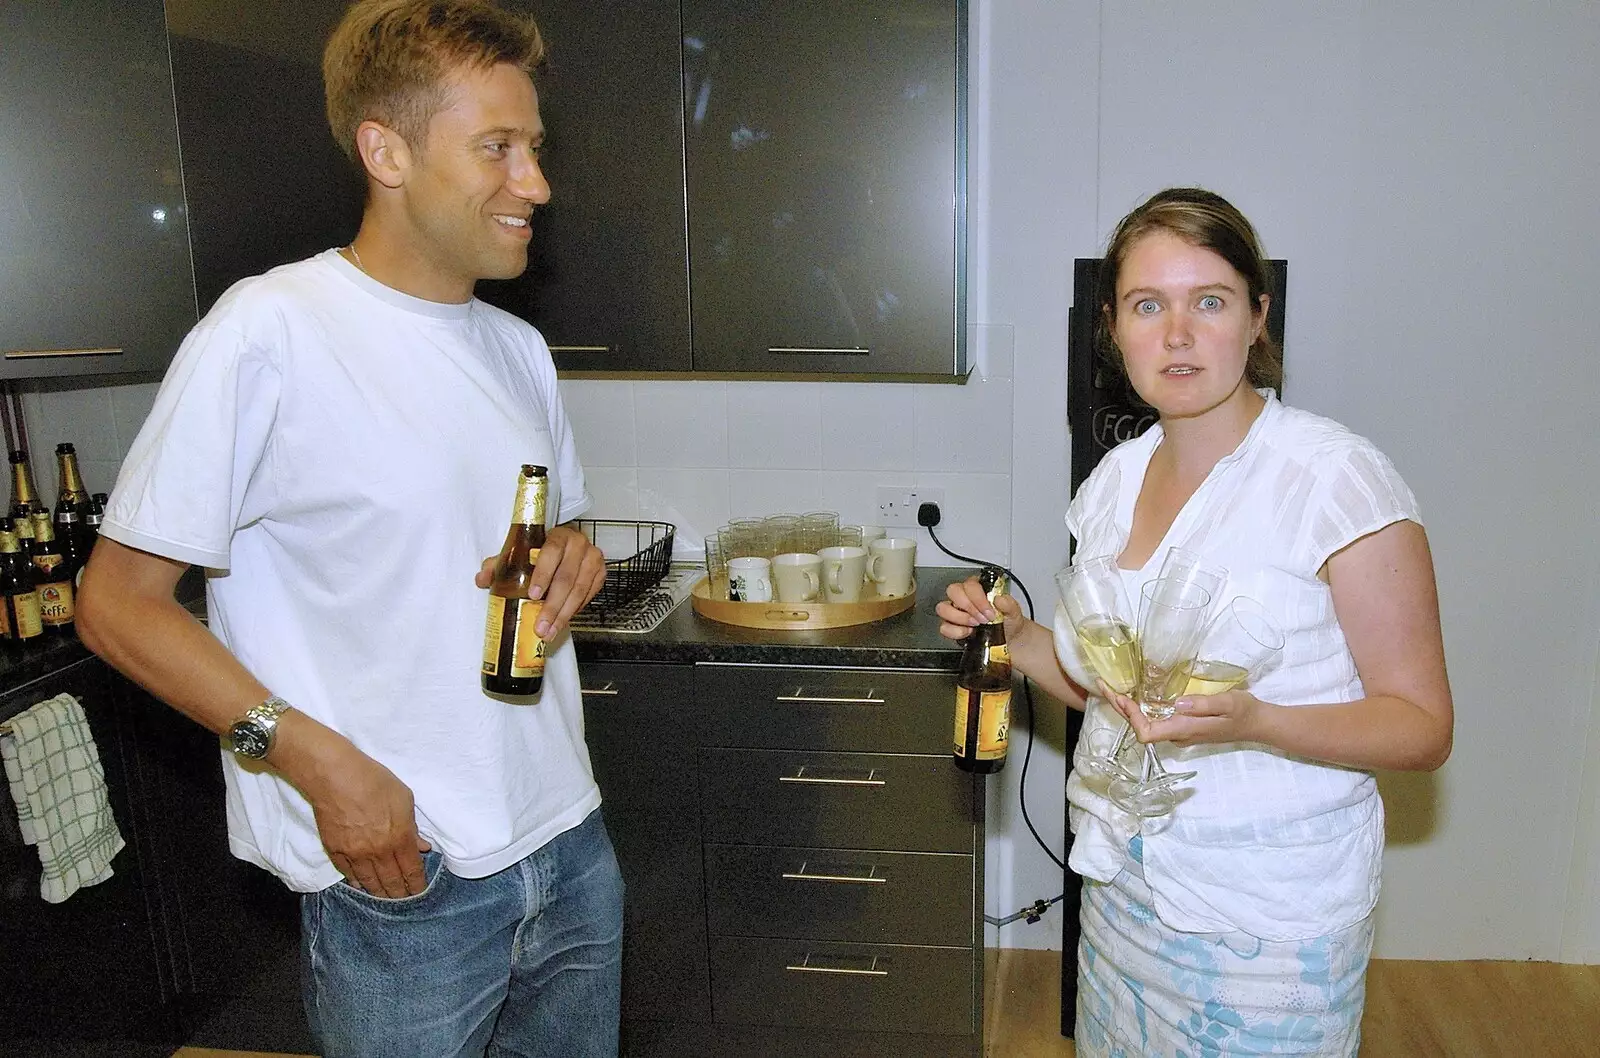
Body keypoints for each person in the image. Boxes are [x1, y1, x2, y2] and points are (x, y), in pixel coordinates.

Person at [76, 2, 622, 1055]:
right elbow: (114, 606)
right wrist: (321, 765)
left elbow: (548, 537)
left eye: (535, 149)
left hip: (567, 841)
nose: (536, 185)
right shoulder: (268, 332)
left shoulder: (518, 351)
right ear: (387, 150)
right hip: (405, 878)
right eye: (498, 150)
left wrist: (576, 554)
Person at [937, 187, 1453, 1056]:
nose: (1177, 334)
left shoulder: (1336, 480)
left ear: (1257, 316)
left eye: (1208, 301)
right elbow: (1110, 692)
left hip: (1268, 920)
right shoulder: (1109, 486)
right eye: (1148, 305)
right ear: (1114, 328)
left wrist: (1262, 721)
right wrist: (1021, 636)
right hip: (1123, 892)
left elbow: (1421, 725)